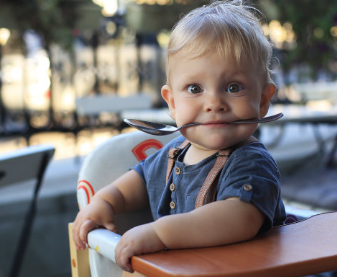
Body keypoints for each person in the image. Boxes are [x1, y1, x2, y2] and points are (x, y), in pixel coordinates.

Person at [73, 0, 286, 273]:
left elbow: (239, 217)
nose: (214, 103)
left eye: (234, 87)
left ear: (263, 100)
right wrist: (104, 202)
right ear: (172, 102)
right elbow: (135, 184)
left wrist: (160, 234)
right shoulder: (174, 153)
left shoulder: (251, 162)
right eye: (195, 88)